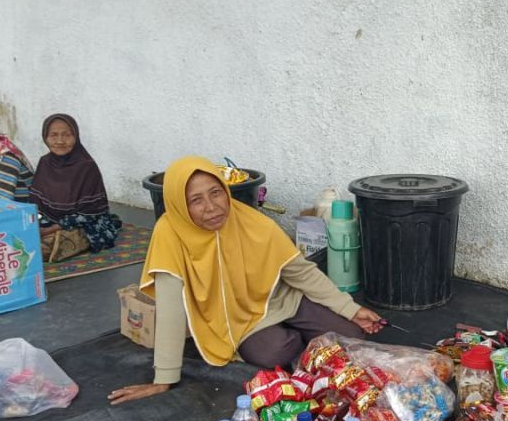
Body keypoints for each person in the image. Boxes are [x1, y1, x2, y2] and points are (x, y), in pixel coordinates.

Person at [108, 156, 385, 405]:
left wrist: (351, 309)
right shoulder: (169, 234)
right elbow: (170, 309)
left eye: (216, 193)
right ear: (180, 205)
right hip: (238, 320)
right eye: (196, 200)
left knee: (351, 333)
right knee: (276, 351)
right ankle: (305, 345)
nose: (212, 207)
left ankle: (307, 342)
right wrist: (163, 378)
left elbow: (301, 272)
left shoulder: (251, 221)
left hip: (280, 299)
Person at [30, 114, 122, 262]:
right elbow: (36, 203)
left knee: (94, 233)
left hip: (83, 221)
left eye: (67, 135)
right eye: (53, 135)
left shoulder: (86, 166)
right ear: (45, 137)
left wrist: (51, 229)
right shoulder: (45, 162)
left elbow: (90, 212)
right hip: (49, 219)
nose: (60, 141)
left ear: (76, 137)